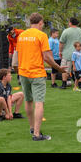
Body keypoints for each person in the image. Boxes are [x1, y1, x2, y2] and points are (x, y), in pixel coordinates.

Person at [16, 13, 67, 141]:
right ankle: (37, 134)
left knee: (28, 101)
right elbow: (47, 57)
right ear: (40, 22)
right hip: (37, 73)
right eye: (43, 23)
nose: (43, 25)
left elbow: (17, 54)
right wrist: (58, 68)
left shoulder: (21, 35)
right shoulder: (41, 35)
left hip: (23, 72)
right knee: (39, 103)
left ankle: (32, 127)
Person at [59, 17, 81, 90]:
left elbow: (61, 43)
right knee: (80, 69)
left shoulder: (66, 31)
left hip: (68, 53)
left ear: (70, 22)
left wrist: (60, 51)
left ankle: (64, 84)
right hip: (80, 54)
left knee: (65, 69)